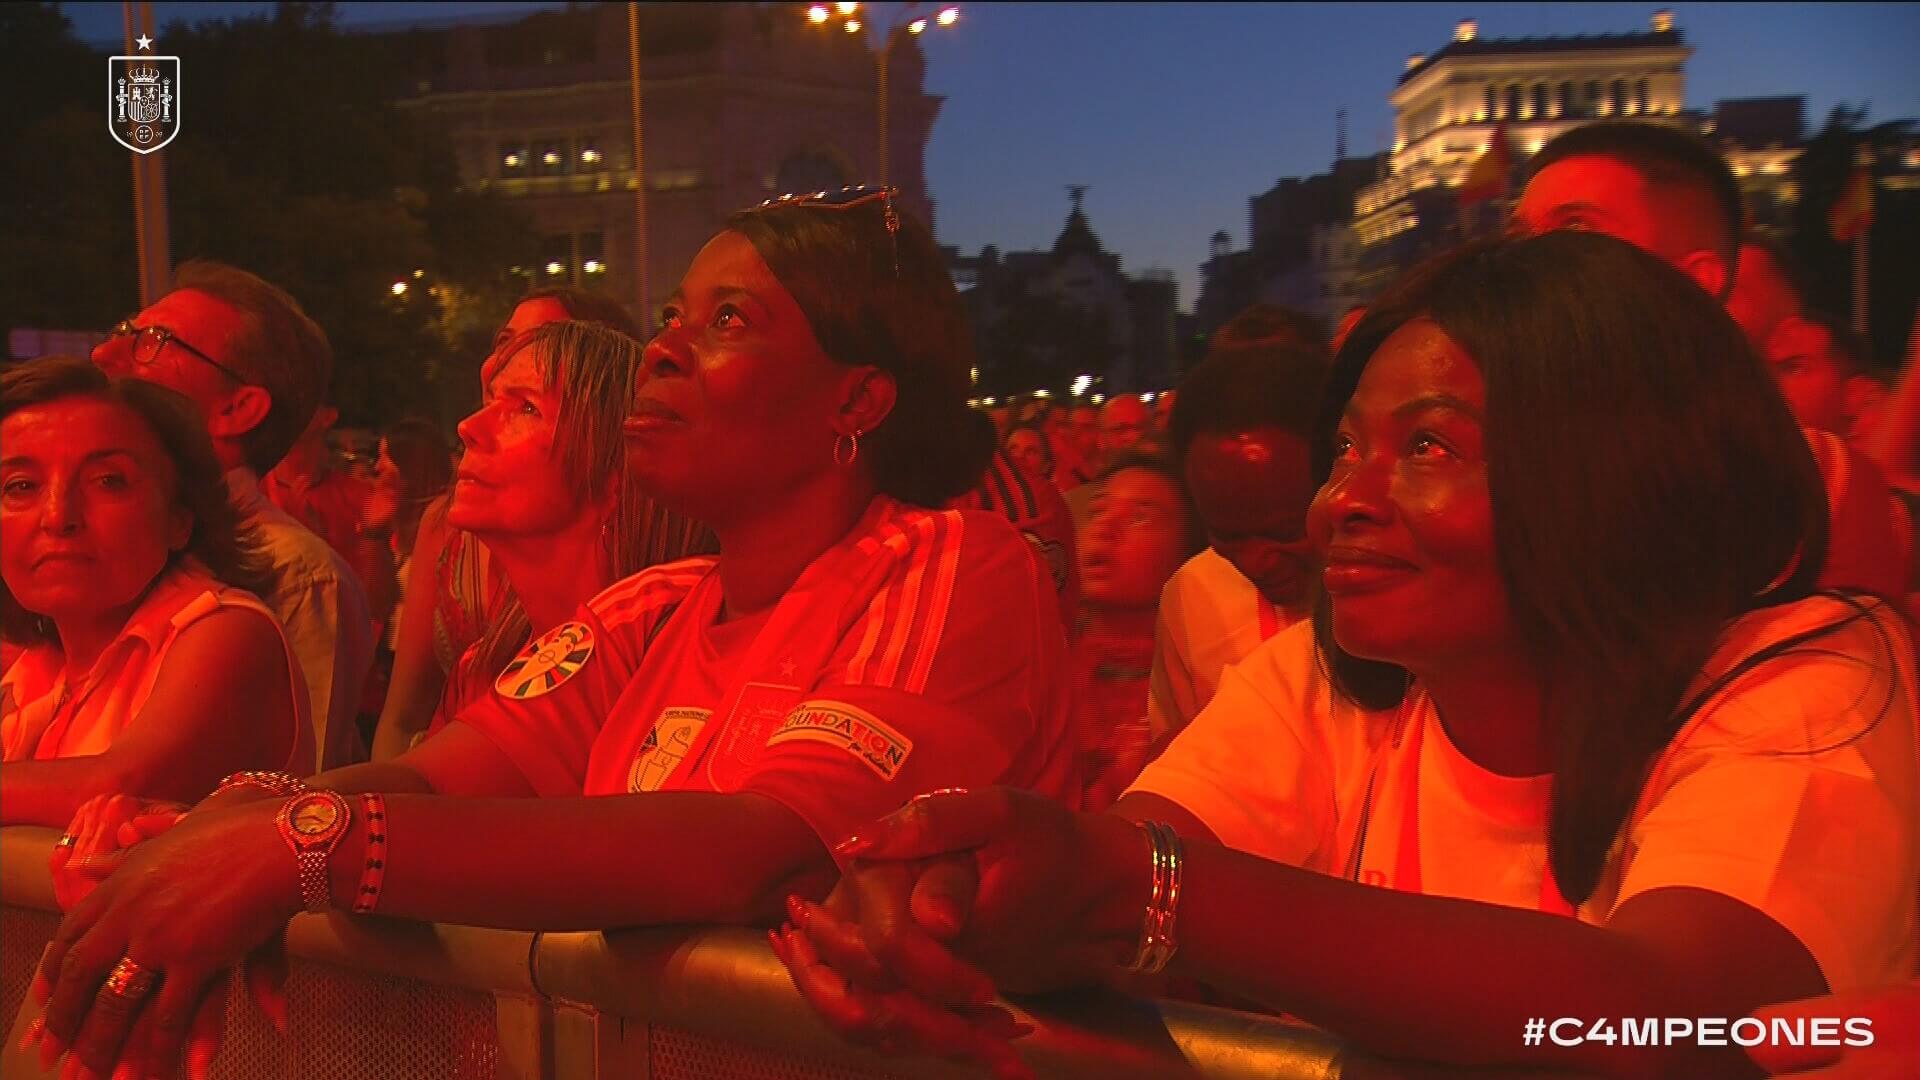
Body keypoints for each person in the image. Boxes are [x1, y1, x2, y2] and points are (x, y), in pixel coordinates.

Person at [770, 233, 1918, 1079]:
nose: (1339, 507)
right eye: (1347, 452)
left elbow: (1662, 1026)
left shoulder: (1815, 675)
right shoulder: (1330, 681)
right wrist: (957, 906)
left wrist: (1136, 892)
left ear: (1619, 467)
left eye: (1425, 447)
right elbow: (1129, 870)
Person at [27, 187, 1080, 1080]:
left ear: (858, 396)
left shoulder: (949, 562)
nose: (663, 348)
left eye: (728, 323)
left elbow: (758, 852)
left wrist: (306, 852)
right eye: (673, 315)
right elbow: (436, 780)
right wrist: (220, 834)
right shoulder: (654, 604)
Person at [1514, 120, 1907, 600]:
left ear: (1695, 281)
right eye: (1520, 235)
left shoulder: (1807, 489)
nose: (1527, 260)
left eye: (1576, 228)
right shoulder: (1486, 450)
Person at [374, 319, 715, 756]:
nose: (468, 427)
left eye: (526, 407)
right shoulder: (484, 670)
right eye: (493, 400)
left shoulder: (677, 673)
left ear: (615, 474)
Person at [92, 261, 375, 770]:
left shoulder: (297, 575)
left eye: (154, 340)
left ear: (238, 409)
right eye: (123, 332)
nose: (104, 354)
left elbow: (290, 799)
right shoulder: (93, 546)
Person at [1, 358, 309, 826]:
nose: (58, 516)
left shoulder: (227, 630)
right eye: (21, 486)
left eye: (108, 480)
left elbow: (115, 785)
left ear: (181, 517)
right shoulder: (38, 666)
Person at [1150, 305, 1327, 745]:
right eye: (1228, 536)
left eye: (1286, 532)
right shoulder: (1192, 593)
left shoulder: (1409, 590)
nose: (1256, 562)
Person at [1074, 453, 1203, 809]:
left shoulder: (1198, 690)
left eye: (1140, 517)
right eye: (1098, 510)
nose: (1105, 527)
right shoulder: (1044, 657)